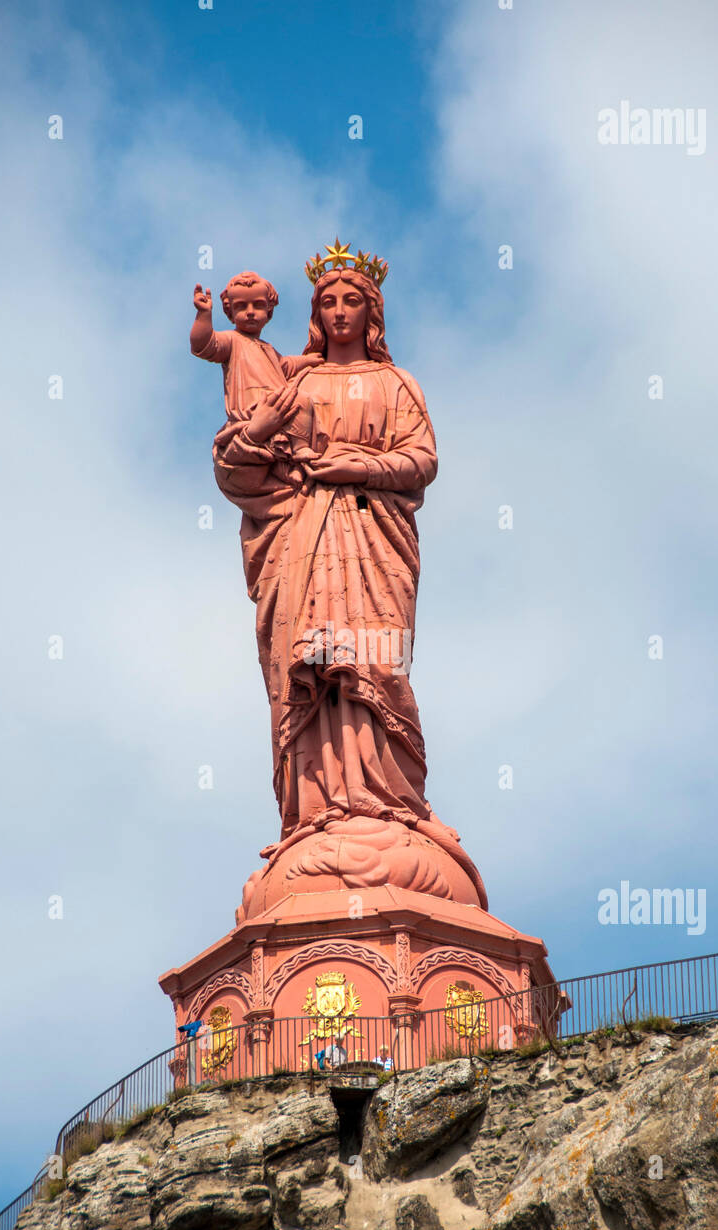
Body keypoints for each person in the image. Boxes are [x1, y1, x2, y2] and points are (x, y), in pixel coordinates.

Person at [212, 248, 487, 908]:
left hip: (373, 541)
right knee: (312, 666)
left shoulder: (397, 385)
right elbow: (237, 470)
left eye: (351, 300)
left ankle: (392, 800)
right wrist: (262, 435)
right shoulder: (293, 384)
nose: (339, 311)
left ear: (372, 311)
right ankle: (317, 810)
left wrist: (350, 468)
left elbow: (420, 460)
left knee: (376, 665)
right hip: (302, 538)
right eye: (328, 302)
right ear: (315, 313)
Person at [191, 274, 318, 460]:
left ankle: (299, 448)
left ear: (269, 310)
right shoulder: (231, 340)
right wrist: (203, 315)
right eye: (241, 306)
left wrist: (309, 360)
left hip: (279, 404)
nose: (250, 312)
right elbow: (203, 344)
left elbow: (285, 366)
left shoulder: (267, 348)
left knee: (302, 400)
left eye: (257, 305)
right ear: (230, 312)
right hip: (253, 409)